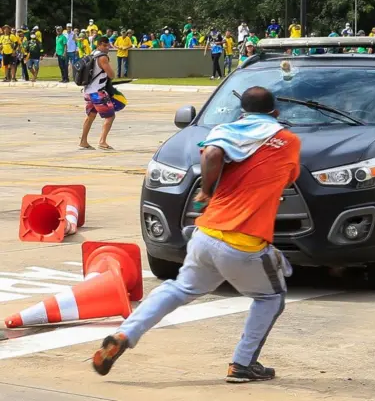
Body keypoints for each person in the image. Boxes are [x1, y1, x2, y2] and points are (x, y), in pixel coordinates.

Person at [92, 86, 301, 383]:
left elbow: (213, 153)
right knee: (271, 298)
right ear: (275, 114)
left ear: (243, 113)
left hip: (206, 233)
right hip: (243, 242)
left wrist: (206, 189)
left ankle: (126, 333)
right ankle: (242, 364)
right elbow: (289, 176)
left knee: (179, 289)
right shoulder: (288, 141)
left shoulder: (228, 134)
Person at [79, 36, 117, 151]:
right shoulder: (103, 57)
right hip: (98, 92)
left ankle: (83, 141)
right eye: (105, 45)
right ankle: (102, 141)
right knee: (110, 116)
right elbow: (111, 75)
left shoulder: (92, 54)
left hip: (88, 91)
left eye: (108, 45)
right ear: (99, 44)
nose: (107, 48)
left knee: (90, 116)